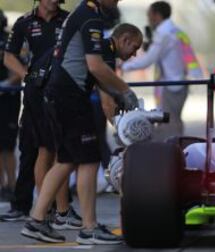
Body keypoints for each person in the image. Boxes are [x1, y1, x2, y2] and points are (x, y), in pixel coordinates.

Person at [21, 0, 142, 244]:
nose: (116, 2)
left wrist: (118, 95)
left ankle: (36, 220)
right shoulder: (90, 17)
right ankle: (89, 228)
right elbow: (95, 66)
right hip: (69, 96)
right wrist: (126, 92)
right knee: (88, 159)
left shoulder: (83, 14)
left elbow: (100, 82)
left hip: (59, 95)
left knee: (66, 160)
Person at [0, 0, 81, 229]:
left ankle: (54, 209)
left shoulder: (68, 19)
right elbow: (9, 56)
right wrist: (28, 75)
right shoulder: (24, 22)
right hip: (36, 94)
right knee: (38, 150)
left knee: (57, 150)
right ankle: (42, 210)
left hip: (62, 91)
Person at [122, 1, 203, 140]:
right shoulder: (175, 31)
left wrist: (122, 66)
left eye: (149, 16)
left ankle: (171, 154)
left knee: (169, 124)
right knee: (174, 122)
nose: (148, 20)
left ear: (157, 15)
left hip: (172, 86)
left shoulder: (164, 34)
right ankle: (176, 152)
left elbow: (147, 60)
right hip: (179, 84)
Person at [0, 9, 21, 201]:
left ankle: (11, 184)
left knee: (7, 145)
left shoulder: (10, 40)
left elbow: (20, 70)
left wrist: (5, 85)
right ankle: (2, 185)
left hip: (8, 98)